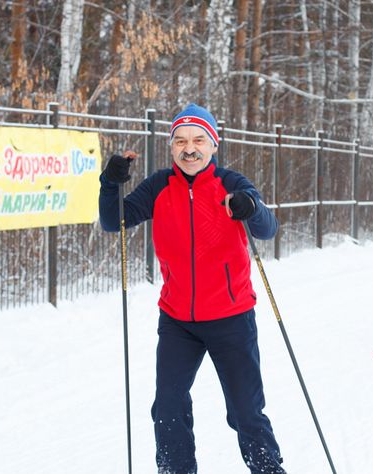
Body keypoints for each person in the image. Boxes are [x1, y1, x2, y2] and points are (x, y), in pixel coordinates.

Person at [99, 103, 285, 474]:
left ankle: (268, 469)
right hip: (177, 320)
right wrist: (111, 184)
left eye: (199, 140)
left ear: (214, 144)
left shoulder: (231, 184)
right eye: (181, 141)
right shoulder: (158, 186)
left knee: (246, 412)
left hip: (231, 318)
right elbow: (113, 221)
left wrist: (250, 207)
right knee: (168, 408)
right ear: (172, 147)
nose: (189, 148)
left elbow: (268, 229)